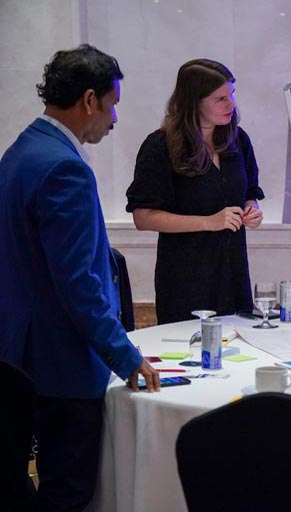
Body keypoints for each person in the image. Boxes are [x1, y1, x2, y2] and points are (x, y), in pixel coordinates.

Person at [0, 44, 160, 511]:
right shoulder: (64, 168)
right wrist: (125, 356)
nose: (114, 120)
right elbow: (79, 284)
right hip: (61, 365)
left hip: (21, 356)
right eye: (112, 105)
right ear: (90, 100)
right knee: (68, 493)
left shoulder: (21, 150)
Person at [126, 59, 264, 324]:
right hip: (186, 279)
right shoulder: (160, 146)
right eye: (220, 99)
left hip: (233, 274)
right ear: (194, 102)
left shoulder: (238, 140)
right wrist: (209, 222)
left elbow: (249, 194)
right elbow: (143, 217)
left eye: (232, 95)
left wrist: (252, 210)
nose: (232, 105)